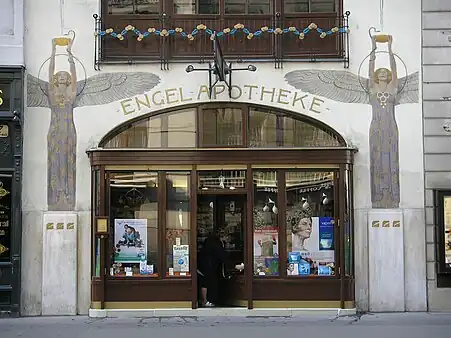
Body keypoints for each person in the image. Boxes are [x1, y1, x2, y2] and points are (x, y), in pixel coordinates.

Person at [197, 231, 243, 307]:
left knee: (204, 282)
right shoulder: (216, 243)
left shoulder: (210, 241)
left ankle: (203, 301)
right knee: (207, 283)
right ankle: (205, 301)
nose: (229, 239)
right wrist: (234, 266)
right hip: (208, 266)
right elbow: (222, 256)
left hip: (203, 265)